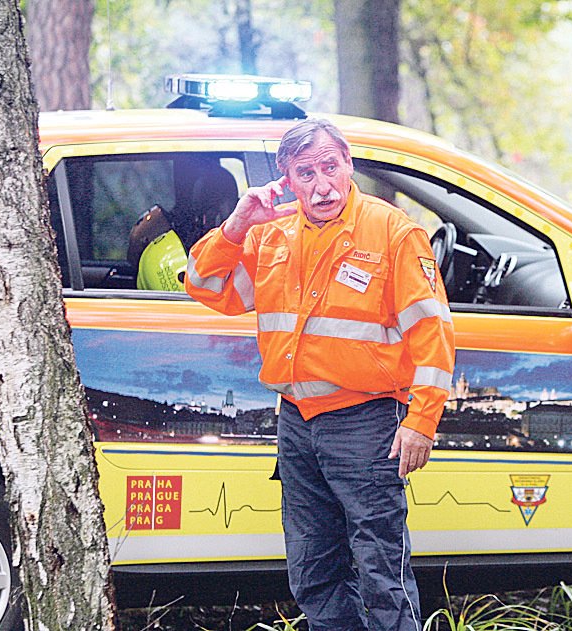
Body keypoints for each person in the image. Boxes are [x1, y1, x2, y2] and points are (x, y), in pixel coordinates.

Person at [185, 116, 456, 631]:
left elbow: (433, 334)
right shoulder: (270, 234)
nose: (322, 184)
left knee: (381, 567)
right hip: (297, 422)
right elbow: (206, 287)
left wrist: (421, 421)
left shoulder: (394, 233)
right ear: (288, 180)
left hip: (367, 422)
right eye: (306, 174)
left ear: (348, 163)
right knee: (311, 567)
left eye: (330, 167)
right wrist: (237, 224)